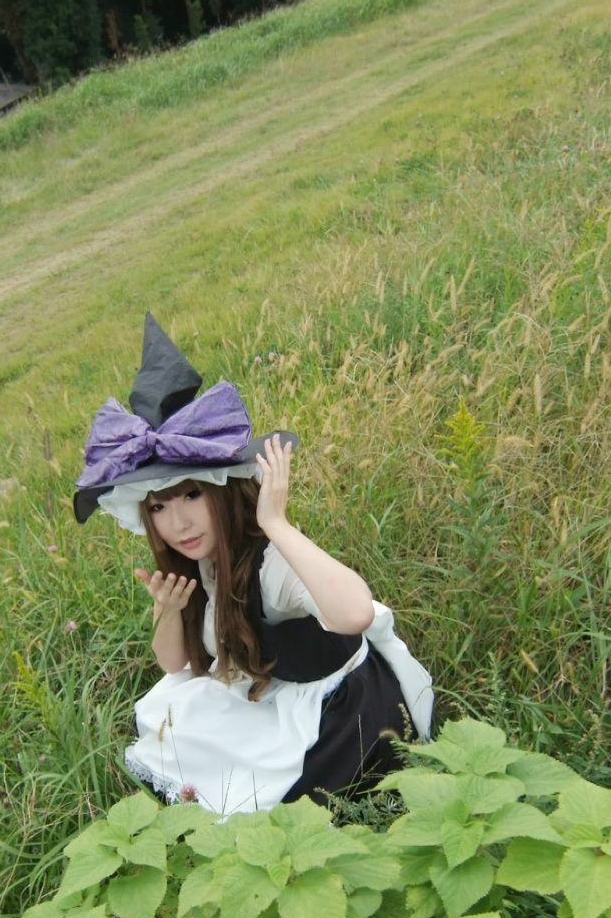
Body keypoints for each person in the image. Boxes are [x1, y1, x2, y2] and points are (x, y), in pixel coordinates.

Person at [74, 314, 434, 815]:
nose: (178, 523)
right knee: (170, 707)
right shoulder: (200, 563)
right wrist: (167, 610)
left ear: (224, 491)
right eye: (158, 507)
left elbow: (356, 613)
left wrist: (278, 524)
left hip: (338, 717)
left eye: (192, 495)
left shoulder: (270, 561)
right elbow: (175, 665)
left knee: (255, 799)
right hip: (272, 691)